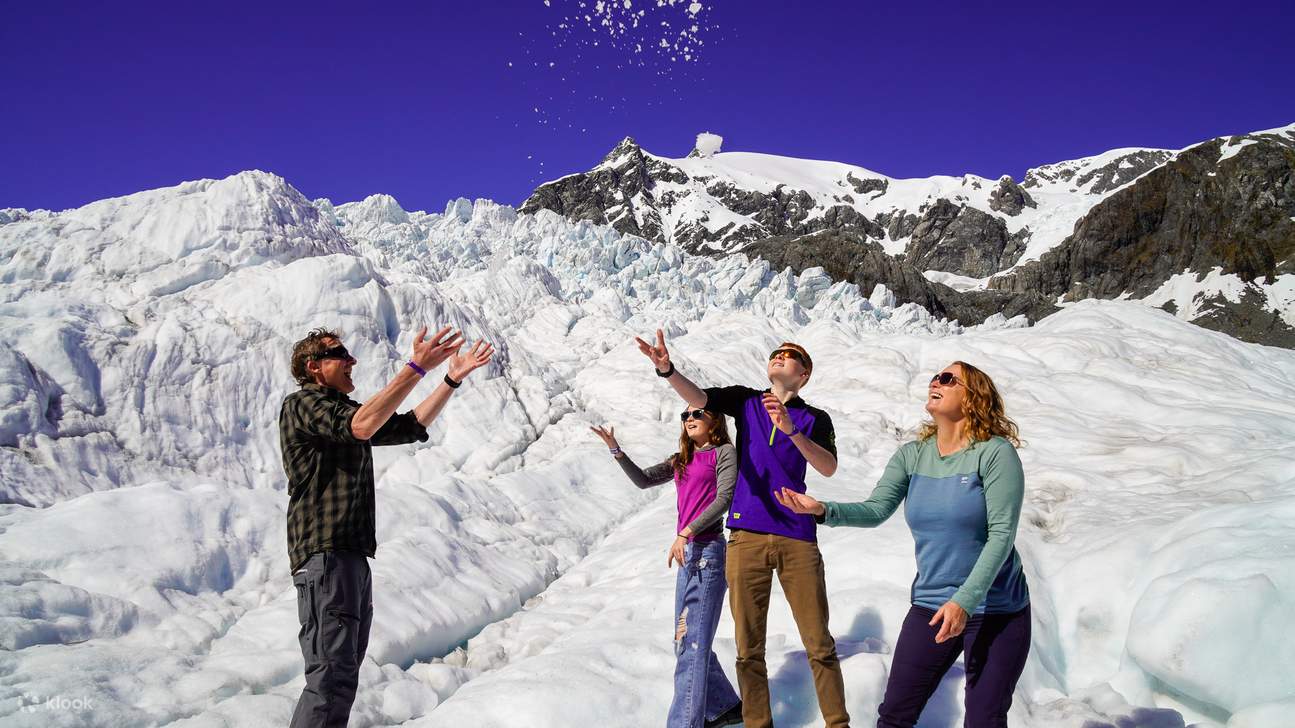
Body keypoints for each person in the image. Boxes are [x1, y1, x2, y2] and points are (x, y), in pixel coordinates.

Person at [776, 361, 1030, 728]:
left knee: (984, 719)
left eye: (947, 379)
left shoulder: (995, 454)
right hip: (932, 603)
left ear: (973, 396)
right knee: (894, 716)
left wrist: (965, 600)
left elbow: (1002, 535)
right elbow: (877, 508)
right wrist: (822, 510)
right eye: (934, 377)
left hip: (997, 610)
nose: (935, 382)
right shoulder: (913, 455)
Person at [280, 326, 493, 728]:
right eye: (340, 353)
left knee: (341, 677)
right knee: (329, 677)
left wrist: (450, 379)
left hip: (349, 557)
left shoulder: (344, 412)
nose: (352, 361)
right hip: (326, 556)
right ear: (313, 367)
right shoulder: (303, 404)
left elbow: (409, 426)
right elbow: (362, 426)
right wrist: (415, 367)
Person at [636, 330, 850, 728]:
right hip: (745, 537)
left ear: (804, 375)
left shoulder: (815, 419)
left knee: (818, 644)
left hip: (797, 537)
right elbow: (700, 400)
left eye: (790, 355)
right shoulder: (746, 401)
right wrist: (666, 370)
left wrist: (791, 431)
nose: (780, 357)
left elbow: (827, 466)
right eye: (776, 353)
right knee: (748, 650)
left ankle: (838, 723)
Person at [591, 406, 744, 728]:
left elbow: (725, 498)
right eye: (685, 415)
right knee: (684, 640)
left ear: (714, 420)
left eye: (697, 414)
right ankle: (723, 708)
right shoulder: (682, 459)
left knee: (692, 643)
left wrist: (686, 532)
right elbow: (643, 481)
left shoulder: (724, 452)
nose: (689, 419)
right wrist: (615, 450)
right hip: (688, 554)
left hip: (708, 552)